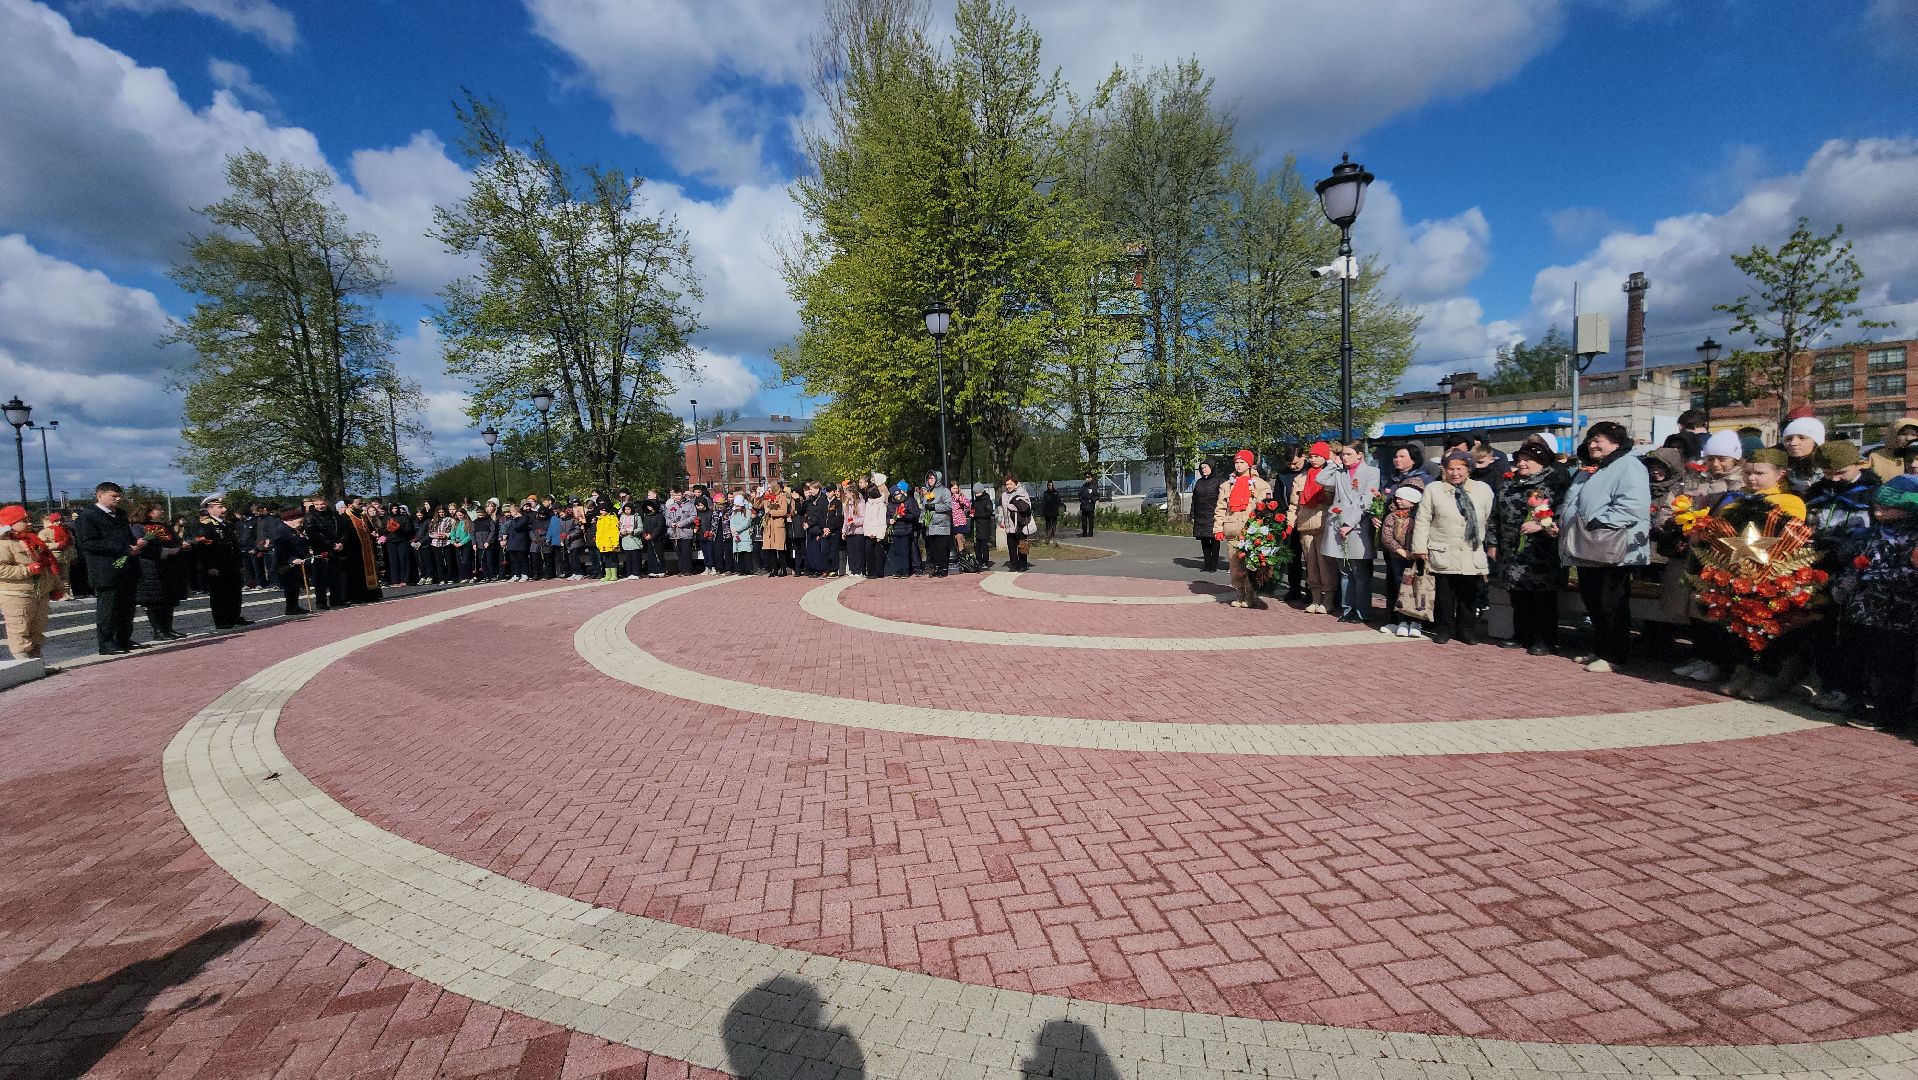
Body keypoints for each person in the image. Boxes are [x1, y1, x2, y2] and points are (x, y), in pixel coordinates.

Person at [1558, 421, 1651, 673]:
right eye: (1591, 439)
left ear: (1616, 443)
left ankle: (1615, 655)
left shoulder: (1628, 465)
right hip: (1587, 545)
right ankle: (1599, 649)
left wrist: (1600, 522)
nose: (1593, 444)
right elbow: (1573, 501)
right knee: (1594, 601)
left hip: (1611, 545)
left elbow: (1633, 504)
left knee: (1612, 601)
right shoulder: (1591, 468)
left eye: (1599, 439)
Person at [1828, 475, 1918, 734]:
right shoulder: (1874, 534)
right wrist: (1842, 584)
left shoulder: (1912, 538)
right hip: (1864, 610)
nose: (1878, 512)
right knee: (1866, 658)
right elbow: (1856, 561)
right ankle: (1866, 701)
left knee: (1894, 665)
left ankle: (1892, 713)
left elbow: (1910, 574)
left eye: (1886, 507)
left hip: (1899, 613)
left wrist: (1872, 576)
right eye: (1876, 506)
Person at [1488, 442, 1569, 654]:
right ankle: (1521, 634)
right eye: (1520, 459)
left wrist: (1541, 524)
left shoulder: (1554, 483)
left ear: (1541, 462)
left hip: (1540, 552)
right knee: (1518, 595)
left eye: (1527, 460)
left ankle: (1544, 639)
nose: (1522, 463)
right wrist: (1493, 543)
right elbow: (1496, 515)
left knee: (1542, 597)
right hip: (1511, 550)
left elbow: (1563, 514)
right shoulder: (1509, 483)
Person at [1412, 451, 1494, 644]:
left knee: (1469, 595)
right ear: (1444, 470)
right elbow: (1423, 519)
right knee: (1444, 595)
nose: (1455, 473)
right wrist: (1420, 548)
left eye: (1460, 468)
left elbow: (1489, 518)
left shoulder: (1482, 489)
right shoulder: (1434, 489)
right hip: (1442, 549)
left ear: (1468, 469)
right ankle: (1444, 629)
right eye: (1451, 468)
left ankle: (1466, 630)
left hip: (1470, 551)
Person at [1319, 443, 1380, 624]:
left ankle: (1362, 612)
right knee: (1345, 572)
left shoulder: (1371, 472)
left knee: (1360, 572)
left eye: (1348, 454)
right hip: (1337, 524)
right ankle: (1347, 609)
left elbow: (1367, 500)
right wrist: (1333, 464)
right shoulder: (1339, 472)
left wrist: (1349, 523)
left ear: (1359, 455)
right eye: (1342, 454)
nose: (1344, 457)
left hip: (1358, 525)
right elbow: (1321, 479)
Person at [1212, 449, 1274, 609]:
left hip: (1251, 532)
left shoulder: (1261, 485)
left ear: (1249, 464)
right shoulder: (1227, 485)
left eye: (1242, 463)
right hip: (1232, 529)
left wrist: (1257, 497)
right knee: (1235, 566)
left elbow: (1267, 509)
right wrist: (1218, 528)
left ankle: (1250, 595)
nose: (1239, 466)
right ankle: (1239, 593)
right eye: (1237, 462)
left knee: (1250, 565)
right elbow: (1220, 509)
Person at [0, 504, 62, 659]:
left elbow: (48, 565)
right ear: (11, 523)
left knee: (37, 629)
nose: (29, 523)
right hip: (17, 594)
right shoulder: (4, 543)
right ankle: (24, 664)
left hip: (39, 592)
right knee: (19, 630)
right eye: (24, 519)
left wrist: (56, 585)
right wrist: (26, 570)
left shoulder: (33, 540)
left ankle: (37, 663)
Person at [1288, 441, 1336, 613]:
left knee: (1325, 564)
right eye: (1312, 456)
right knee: (1311, 564)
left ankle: (1328, 599)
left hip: (1323, 525)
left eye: (1318, 456)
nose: (1314, 459)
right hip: (1305, 525)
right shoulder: (1300, 478)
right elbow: (1294, 504)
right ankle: (1315, 598)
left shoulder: (1331, 476)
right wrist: (1290, 523)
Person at [132, 502, 191, 640]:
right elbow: (142, 547)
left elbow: (175, 540)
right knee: (154, 601)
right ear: (149, 512)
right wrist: (163, 551)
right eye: (159, 510)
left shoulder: (165, 527)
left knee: (169, 599)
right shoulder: (139, 527)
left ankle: (168, 629)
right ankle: (158, 631)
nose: (162, 512)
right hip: (151, 568)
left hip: (168, 567)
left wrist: (181, 546)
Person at [191, 494, 250, 630]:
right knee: (219, 594)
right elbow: (204, 548)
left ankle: (234, 616)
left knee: (234, 592)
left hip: (231, 564)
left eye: (223, 506)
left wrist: (239, 564)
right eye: (220, 507)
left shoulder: (227, 524)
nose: (224, 509)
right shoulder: (206, 525)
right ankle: (221, 619)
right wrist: (210, 566)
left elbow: (233, 546)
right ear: (210, 509)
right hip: (217, 565)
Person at [1376, 485, 1425, 638]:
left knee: (1418, 589)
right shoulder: (1392, 516)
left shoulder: (1421, 516)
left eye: (1402, 498)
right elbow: (1387, 536)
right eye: (1397, 498)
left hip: (1418, 558)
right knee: (1399, 588)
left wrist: (1417, 551)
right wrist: (1401, 551)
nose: (1399, 501)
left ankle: (1416, 621)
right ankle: (1401, 620)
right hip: (1398, 558)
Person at [270, 507, 315, 616]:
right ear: (291, 519)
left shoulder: (294, 530)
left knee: (295, 586)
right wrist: (292, 559)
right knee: (290, 586)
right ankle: (290, 607)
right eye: (299, 521)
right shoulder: (281, 530)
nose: (300, 523)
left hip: (298, 562)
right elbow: (281, 549)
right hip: (285, 564)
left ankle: (294, 606)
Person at [1189, 461, 1223, 573]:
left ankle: (1213, 565)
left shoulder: (1219, 481)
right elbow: (1194, 500)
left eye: (1206, 467)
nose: (1203, 470)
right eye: (1202, 468)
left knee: (1214, 540)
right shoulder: (1199, 482)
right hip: (1200, 516)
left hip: (1214, 515)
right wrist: (1192, 515)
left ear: (1212, 468)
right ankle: (1207, 564)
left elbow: (1223, 500)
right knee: (1204, 540)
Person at [1780, 411, 1824, 494]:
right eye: (1788, 438)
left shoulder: (1828, 464)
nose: (1793, 443)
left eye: (1802, 438)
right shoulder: (1776, 457)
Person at [1867, 416, 1918, 483]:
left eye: (1914, 435)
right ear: (1893, 434)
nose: (1908, 438)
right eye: (1903, 434)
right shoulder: (1876, 457)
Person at [999, 477, 1034, 571]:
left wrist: (1015, 504)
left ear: (1015, 483)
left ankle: (1023, 565)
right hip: (1009, 524)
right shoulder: (1004, 495)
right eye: (1007, 484)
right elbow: (1003, 510)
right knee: (1011, 546)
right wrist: (1002, 521)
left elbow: (1027, 506)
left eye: (1010, 484)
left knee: (1022, 544)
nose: (1008, 486)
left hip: (1020, 523)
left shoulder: (1022, 492)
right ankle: (1014, 565)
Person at [886, 481, 920, 576]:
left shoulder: (908, 502)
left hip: (905, 530)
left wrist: (903, 516)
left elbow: (913, 516)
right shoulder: (890, 505)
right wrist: (889, 521)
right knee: (897, 551)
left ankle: (905, 570)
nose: (898, 496)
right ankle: (898, 570)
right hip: (895, 531)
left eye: (898, 494)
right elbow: (887, 517)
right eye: (895, 495)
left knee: (904, 551)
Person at [922, 471, 953, 577]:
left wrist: (934, 507)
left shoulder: (944, 490)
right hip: (930, 525)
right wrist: (922, 519)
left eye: (932, 478)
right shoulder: (928, 491)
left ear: (937, 479)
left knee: (942, 549)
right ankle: (936, 568)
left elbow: (949, 505)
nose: (929, 480)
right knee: (933, 549)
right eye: (928, 478)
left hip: (941, 524)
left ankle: (943, 569)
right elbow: (925, 506)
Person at [39, 510, 75, 600]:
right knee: (55, 577)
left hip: (66, 557)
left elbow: (72, 543)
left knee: (65, 577)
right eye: (56, 520)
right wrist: (57, 545)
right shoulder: (45, 532)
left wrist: (73, 554)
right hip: (53, 558)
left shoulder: (67, 531)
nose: (59, 522)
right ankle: (56, 594)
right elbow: (42, 545)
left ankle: (66, 593)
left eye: (61, 520)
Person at [861, 474, 889, 577]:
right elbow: (867, 519)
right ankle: (871, 572)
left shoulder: (881, 503)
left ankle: (879, 572)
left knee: (878, 553)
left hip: (878, 532)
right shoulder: (868, 503)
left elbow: (881, 520)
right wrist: (868, 532)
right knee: (868, 552)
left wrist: (878, 534)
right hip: (869, 531)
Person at [970, 483, 995, 571]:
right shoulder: (975, 501)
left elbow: (988, 512)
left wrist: (976, 515)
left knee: (984, 545)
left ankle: (985, 562)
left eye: (978, 493)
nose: (977, 495)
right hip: (976, 526)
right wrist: (971, 513)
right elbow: (972, 509)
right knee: (977, 545)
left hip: (984, 526)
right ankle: (979, 561)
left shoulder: (987, 500)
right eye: (975, 493)